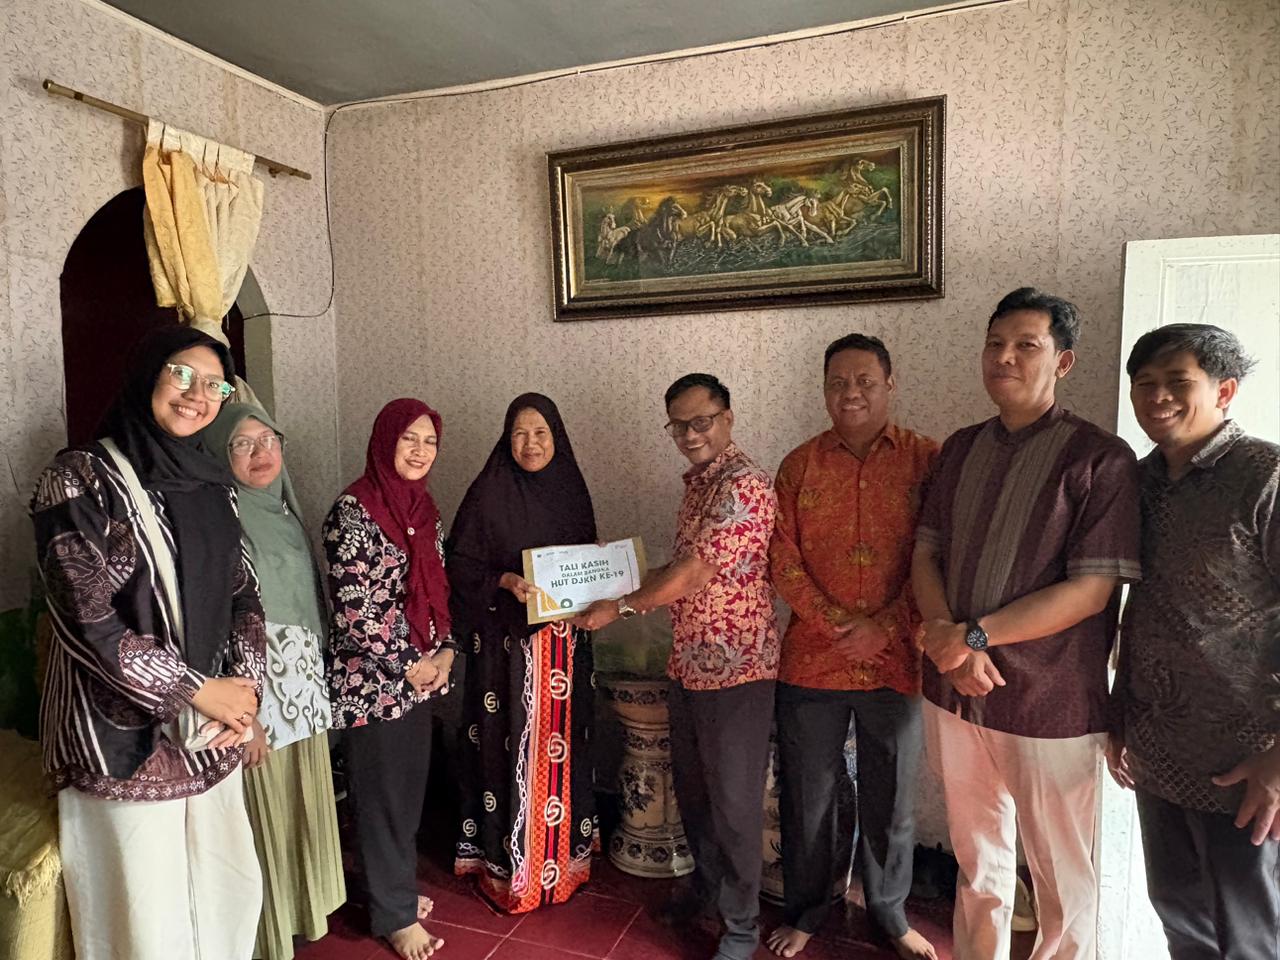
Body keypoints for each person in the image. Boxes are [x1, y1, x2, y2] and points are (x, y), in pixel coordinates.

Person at [912, 288, 1141, 960]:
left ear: (1062, 361)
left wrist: (972, 637)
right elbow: (926, 554)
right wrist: (949, 642)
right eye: (995, 344)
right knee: (978, 860)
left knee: (1062, 876)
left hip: (1051, 704)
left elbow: (1091, 592)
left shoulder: (1100, 458)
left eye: (1025, 345)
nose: (1004, 357)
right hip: (955, 691)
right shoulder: (959, 449)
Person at [30, 325, 266, 960]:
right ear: (146, 374)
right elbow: (86, 618)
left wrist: (244, 696)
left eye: (215, 385)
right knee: (144, 917)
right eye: (181, 373)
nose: (198, 395)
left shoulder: (213, 482)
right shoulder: (79, 478)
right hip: (120, 743)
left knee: (227, 894)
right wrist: (196, 690)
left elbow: (244, 591)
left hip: (212, 735)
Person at [575, 373, 778, 960]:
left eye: (701, 421)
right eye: (678, 425)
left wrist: (622, 606)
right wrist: (615, 579)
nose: (690, 434)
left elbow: (694, 574)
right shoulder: (699, 485)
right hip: (689, 664)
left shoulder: (744, 485)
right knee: (695, 794)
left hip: (737, 671)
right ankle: (706, 890)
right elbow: (677, 566)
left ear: (728, 417)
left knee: (734, 806)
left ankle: (741, 928)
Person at [1107, 324, 1280, 959]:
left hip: (1247, 756)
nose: (1158, 397)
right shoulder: (1137, 481)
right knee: (1180, 918)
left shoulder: (1266, 473)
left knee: (1250, 933)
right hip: (1157, 747)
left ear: (1224, 391)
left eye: (1178, 382)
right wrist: (1118, 716)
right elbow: (1134, 607)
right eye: (1144, 384)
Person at [767, 334, 939, 960]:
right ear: (824, 390)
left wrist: (886, 626)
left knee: (891, 798)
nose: (851, 393)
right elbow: (780, 557)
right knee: (808, 798)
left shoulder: (928, 460)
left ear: (890, 385)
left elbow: (942, 556)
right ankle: (809, 910)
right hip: (814, 659)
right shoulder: (799, 465)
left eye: (865, 381)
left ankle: (889, 912)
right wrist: (838, 624)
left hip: (896, 659)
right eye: (838, 382)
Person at [202, 402, 346, 960]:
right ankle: (266, 935)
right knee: (265, 813)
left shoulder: (284, 511)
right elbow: (215, 621)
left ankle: (302, 917)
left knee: (303, 806)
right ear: (220, 454)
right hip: (257, 693)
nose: (260, 453)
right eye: (242, 444)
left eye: (268, 440)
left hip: (302, 687)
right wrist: (247, 716)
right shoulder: (219, 520)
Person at [448, 393, 598, 912]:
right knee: (504, 750)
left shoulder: (571, 490)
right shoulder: (487, 493)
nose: (530, 443)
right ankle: (505, 867)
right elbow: (459, 565)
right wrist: (504, 580)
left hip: (563, 649)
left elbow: (590, 566)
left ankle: (561, 866)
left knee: (562, 751)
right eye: (519, 433)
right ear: (505, 439)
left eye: (540, 433)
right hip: (503, 651)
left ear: (557, 437)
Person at [323, 398, 456, 960]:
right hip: (373, 683)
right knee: (380, 797)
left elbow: (439, 586)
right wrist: (413, 664)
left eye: (429, 441)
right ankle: (395, 915)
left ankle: (392, 890)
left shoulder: (425, 509)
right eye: (409, 439)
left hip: (419, 677)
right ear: (385, 441)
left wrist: (445, 651)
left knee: (405, 795)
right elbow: (355, 609)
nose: (420, 450)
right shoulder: (353, 511)